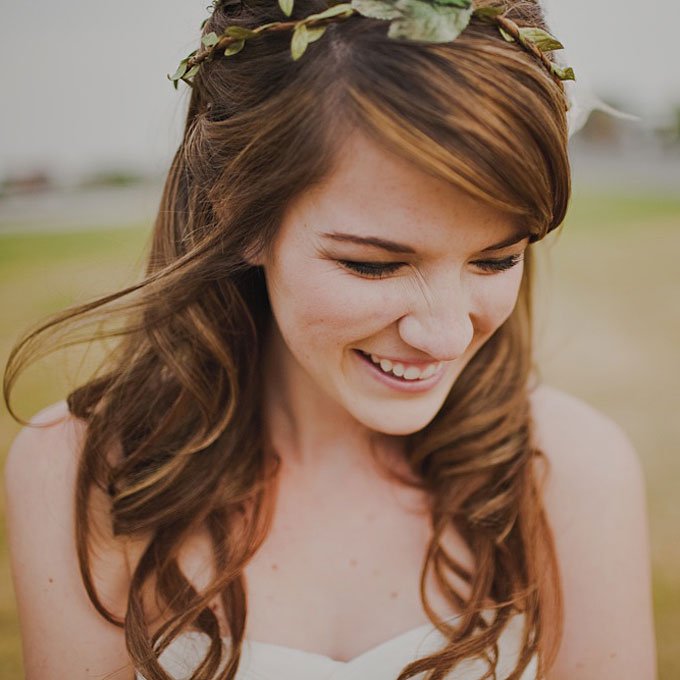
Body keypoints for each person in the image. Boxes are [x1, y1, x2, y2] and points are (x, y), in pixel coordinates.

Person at [3, 0, 656, 678]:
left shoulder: (573, 473)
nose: (447, 334)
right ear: (238, 213)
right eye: (373, 264)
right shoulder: (85, 474)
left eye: (496, 260)